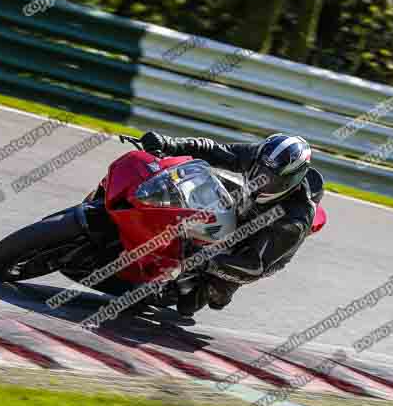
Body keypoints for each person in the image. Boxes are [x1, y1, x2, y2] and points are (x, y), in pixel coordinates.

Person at [139, 132, 325, 316]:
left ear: (289, 182)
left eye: (270, 179)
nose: (261, 180)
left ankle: (215, 290)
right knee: (196, 184)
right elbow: (214, 150)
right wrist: (170, 143)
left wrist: (205, 260)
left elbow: (254, 267)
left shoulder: (294, 220)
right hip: (246, 206)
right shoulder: (258, 156)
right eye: (259, 172)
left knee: (193, 303)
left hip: (262, 247)